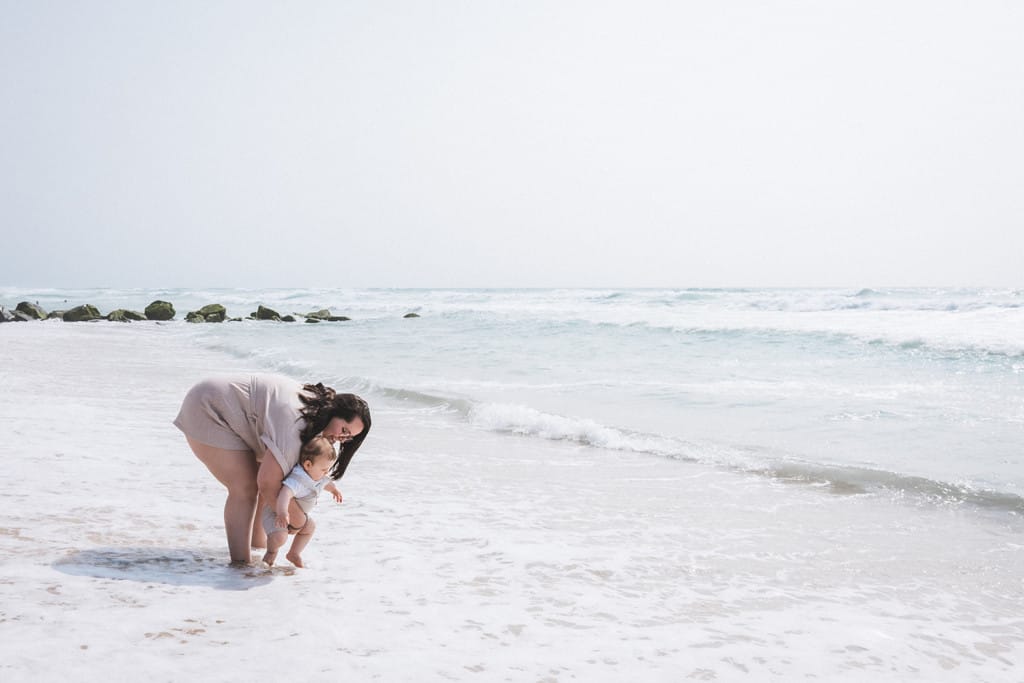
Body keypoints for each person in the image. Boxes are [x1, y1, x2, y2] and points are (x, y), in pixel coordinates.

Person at [174, 374, 371, 565]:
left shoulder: (313, 413)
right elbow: (268, 484)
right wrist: (297, 521)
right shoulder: (298, 424)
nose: (341, 439)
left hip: (228, 406)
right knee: (246, 487)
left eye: (348, 437)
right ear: (334, 412)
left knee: (269, 475)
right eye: (343, 430)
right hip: (208, 407)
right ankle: (240, 566)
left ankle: (257, 549)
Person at [261, 435, 342, 568]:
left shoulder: (317, 476)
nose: (326, 473)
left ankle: (294, 553)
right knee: (280, 537)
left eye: (328, 469)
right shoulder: (298, 479)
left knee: (310, 528)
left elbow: (326, 483)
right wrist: (281, 512)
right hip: (277, 514)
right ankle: (271, 552)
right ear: (308, 465)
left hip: (297, 517)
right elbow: (284, 495)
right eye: (324, 470)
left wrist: (334, 490)